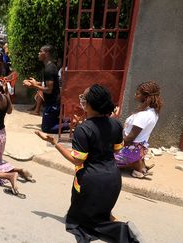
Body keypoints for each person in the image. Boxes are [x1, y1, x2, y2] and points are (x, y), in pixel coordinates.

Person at [36, 84, 143, 243]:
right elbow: (117, 151)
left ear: (91, 104)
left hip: (91, 180)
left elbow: (77, 160)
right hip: (113, 178)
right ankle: (112, 221)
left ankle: (122, 229)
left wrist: (54, 143)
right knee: (98, 212)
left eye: (84, 98)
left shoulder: (83, 129)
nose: (82, 100)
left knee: (84, 224)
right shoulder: (116, 124)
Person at [115, 81, 162, 178]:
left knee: (101, 159)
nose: (135, 95)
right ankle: (139, 163)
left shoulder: (144, 115)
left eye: (138, 93)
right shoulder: (152, 112)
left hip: (130, 149)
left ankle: (136, 166)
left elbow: (130, 138)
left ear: (146, 97)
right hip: (139, 149)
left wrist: (112, 146)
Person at [23, 45, 68, 132]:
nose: (38, 53)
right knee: (51, 123)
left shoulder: (49, 69)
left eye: (40, 51)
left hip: (53, 104)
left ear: (46, 53)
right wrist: (35, 83)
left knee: (46, 128)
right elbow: (47, 84)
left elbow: (49, 89)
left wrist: (34, 86)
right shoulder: (49, 67)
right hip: (51, 103)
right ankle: (67, 121)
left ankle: (69, 124)